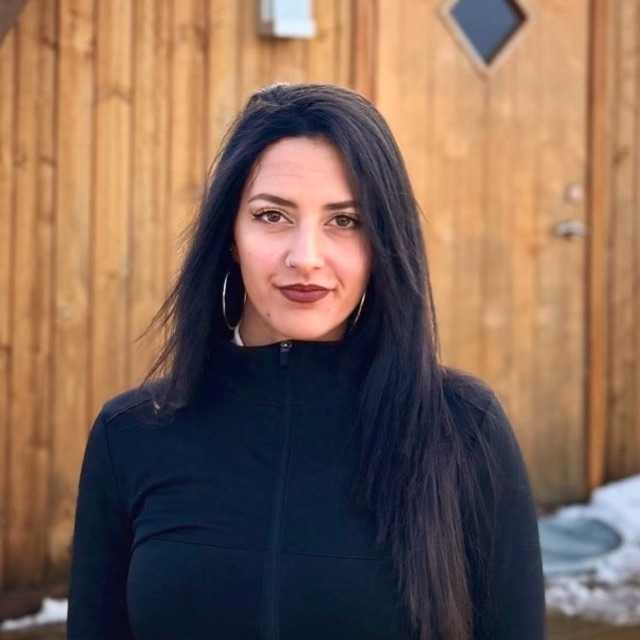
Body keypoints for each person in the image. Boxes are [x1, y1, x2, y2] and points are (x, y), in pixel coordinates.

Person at [66, 82, 547, 640]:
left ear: (382, 244)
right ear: (230, 234)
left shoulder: (462, 429)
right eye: (272, 216)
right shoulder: (130, 435)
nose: (306, 257)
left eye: (345, 221)